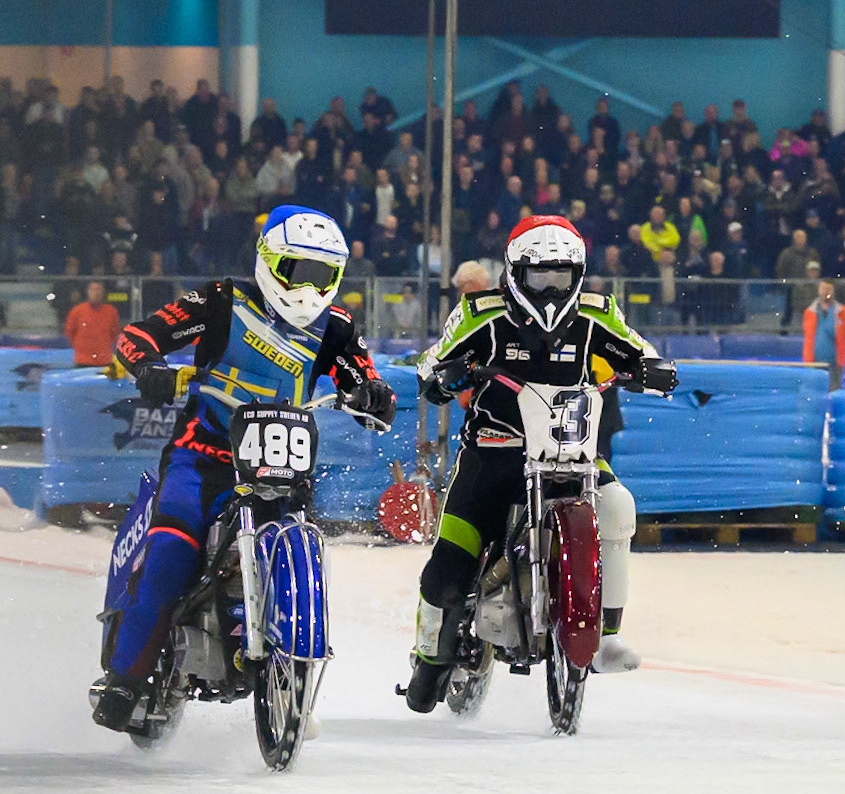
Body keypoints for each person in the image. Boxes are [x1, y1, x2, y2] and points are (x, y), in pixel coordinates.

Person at [89, 205, 397, 732]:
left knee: (301, 542)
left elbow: (366, 377)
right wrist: (150, 369)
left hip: (283, 463)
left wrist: (374, 395)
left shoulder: (338, 327)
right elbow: (137, 336)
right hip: (202, 454)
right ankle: (125, 679)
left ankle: (290, 663)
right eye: (297, 271)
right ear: (268, 261)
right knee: (171, 547)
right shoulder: (220, 299)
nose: (309, 287)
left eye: (322, 275)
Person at [405, 216, 679, 713]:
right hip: (493, 454)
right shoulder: (479, 313)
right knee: (448, 568)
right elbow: (431, 364)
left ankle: (608, 636)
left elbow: (640, 350)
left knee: (618, 504)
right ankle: (429, 655)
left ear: (578, 274)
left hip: (570, 452)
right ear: (515, 273)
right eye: (541, 277)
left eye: (562, 276)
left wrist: (653, 369)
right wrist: (442, 375)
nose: (552, 288)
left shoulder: (598, 312)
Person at [801, 280, 845, 388]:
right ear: (818, 290)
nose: (826, 292)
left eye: (828, 289)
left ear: (833, 291)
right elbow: (807, 334)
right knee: (814, 391)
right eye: (823, 288)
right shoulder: (809, 312)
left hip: (834, 364)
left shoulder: (844, 313)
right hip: (813, 362)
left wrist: (841, 348)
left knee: (834, 392)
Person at [64, 279, 122, 366]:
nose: (97, 293)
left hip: (104, 360)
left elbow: (115, 332)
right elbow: (70, 333)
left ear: (103, 292)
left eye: (99, 290)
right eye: (94, 290)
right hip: (83, 360)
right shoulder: (77, 311)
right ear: (88, 292)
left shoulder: (111, 312)